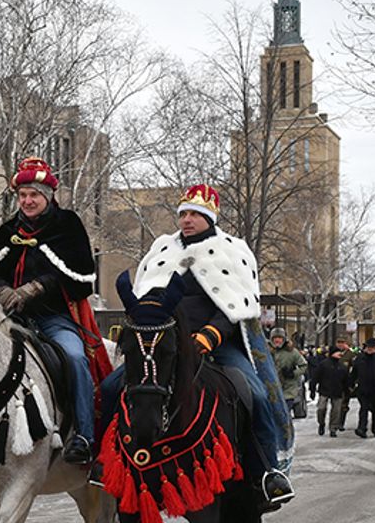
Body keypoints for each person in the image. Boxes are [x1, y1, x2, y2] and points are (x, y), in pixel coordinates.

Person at [99, 184, 295, 505]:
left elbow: (236, 306)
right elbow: (149, 301)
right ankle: (105, 459)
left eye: (195, 214)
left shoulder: (233, 249)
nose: (187, 220)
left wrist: (208, 336)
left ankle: (268, 471)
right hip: (167, 346)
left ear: (210, 217)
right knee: (110, 388)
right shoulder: (161, 249)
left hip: (217, 342)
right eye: (183, 214)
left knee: (255, 394)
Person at [0, 158, 111, 465]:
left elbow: (82, 277)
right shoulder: (8, 230)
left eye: (33, 195)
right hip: (9, 318)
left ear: (47, 196)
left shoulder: (68, 225)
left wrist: (37, 287)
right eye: (22, 196)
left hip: (54, 318)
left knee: (74, 358)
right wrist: (2, 290)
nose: (27, 201)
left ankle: (84, 436)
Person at [311, 346, 349, 437]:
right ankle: (321, 423)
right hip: (324, 390)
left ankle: (333, 428)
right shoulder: (323, 365)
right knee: (321, 409)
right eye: (337, 352)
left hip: (338, 391)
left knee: (336, 411)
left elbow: (346, 380)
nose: (339, 354)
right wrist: (312, 389)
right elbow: (315, 377)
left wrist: (347, 391)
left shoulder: (342, 366)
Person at [271, 328, 307, 416]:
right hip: (272, 389)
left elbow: (304, 365)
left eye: (279, 338)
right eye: (275, 338)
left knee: (284, 415)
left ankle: (287, 429)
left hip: (288, 390)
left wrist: (293, 373)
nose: (277, 340)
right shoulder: (267, 352)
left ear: (284, 339)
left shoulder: (292, 352)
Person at [335, 335, 356, 430]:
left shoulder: (350, 354)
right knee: (335, 404)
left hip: (345, 383)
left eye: (342, 343)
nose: (340, 345)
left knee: (343, 404)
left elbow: (355, 367)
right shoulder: (333, 353)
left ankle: (340, 423)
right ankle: (334, 422)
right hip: (335, 382)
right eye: (338, 343)